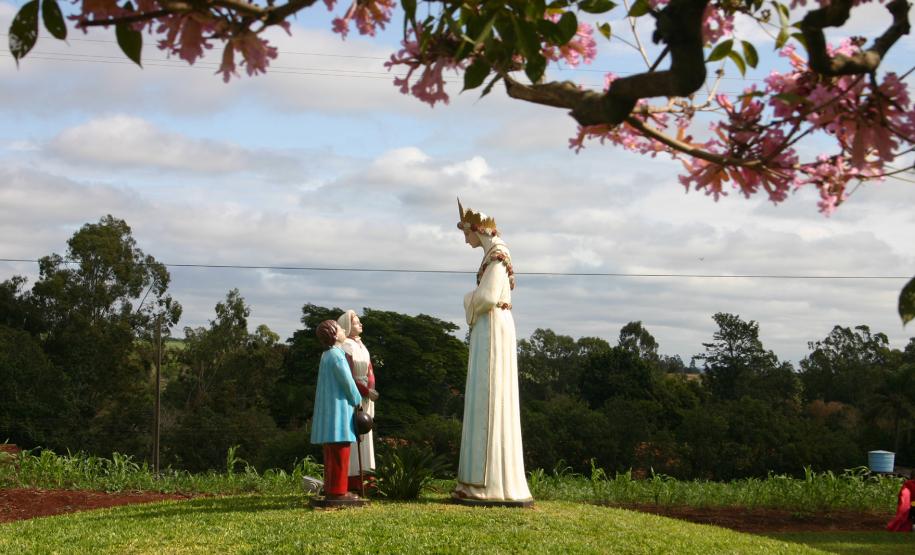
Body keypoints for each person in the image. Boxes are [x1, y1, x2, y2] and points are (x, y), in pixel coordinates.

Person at [452, 199, 532, 504]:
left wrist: (466, 299)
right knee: (483, 398)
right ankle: (475, 482)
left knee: (490, 399)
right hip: (489, 326)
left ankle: (490, 484)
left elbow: (485, 297)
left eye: (466, 233)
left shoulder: (498, 255)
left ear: (476, 229)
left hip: (493, 322)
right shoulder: (492, 255)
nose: (465, 240)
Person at [310, 319, 363, 500]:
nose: (343, 331)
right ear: (334, 334)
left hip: (328, 412)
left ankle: (331, 488)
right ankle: (339, 492)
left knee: (331, 455)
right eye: (340, 329)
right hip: (338, 412)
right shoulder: (337, 355)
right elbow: (347, 382)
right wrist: (357, 399)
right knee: (341, 452)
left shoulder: (326, 355)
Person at [337, 309, 379, 492]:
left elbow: (369, 369)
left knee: (366, 434)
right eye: (356, 322)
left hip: (367, 395)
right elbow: (348, 374)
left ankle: (368, 476)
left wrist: (370, 388)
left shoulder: (362, 346)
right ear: (347, 326)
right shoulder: (345, 346)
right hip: (354, 395)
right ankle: (353, 478)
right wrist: (363, 390)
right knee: (355, 434)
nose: (360, 324)